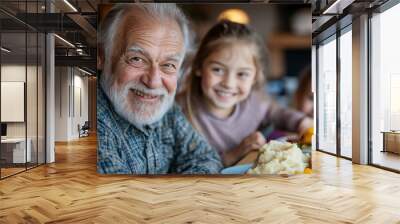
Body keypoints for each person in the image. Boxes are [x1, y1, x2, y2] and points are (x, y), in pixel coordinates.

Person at [97, 3, 222, 174]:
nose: (154, 82)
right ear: (102, 57)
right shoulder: (94, 127)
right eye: (137, 59)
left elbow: (206, 158)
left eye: (168, 65)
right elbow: (121, 197)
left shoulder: (166, 108)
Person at [177, 20, 313, 167]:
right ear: (198, 67)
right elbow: (184, 168)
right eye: (217, 69)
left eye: (242, 74)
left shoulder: (254, 102)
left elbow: (278, 113)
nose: (228, 83)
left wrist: (302, 123)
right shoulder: (179, 113)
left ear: (255, 77)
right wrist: (234, 154)